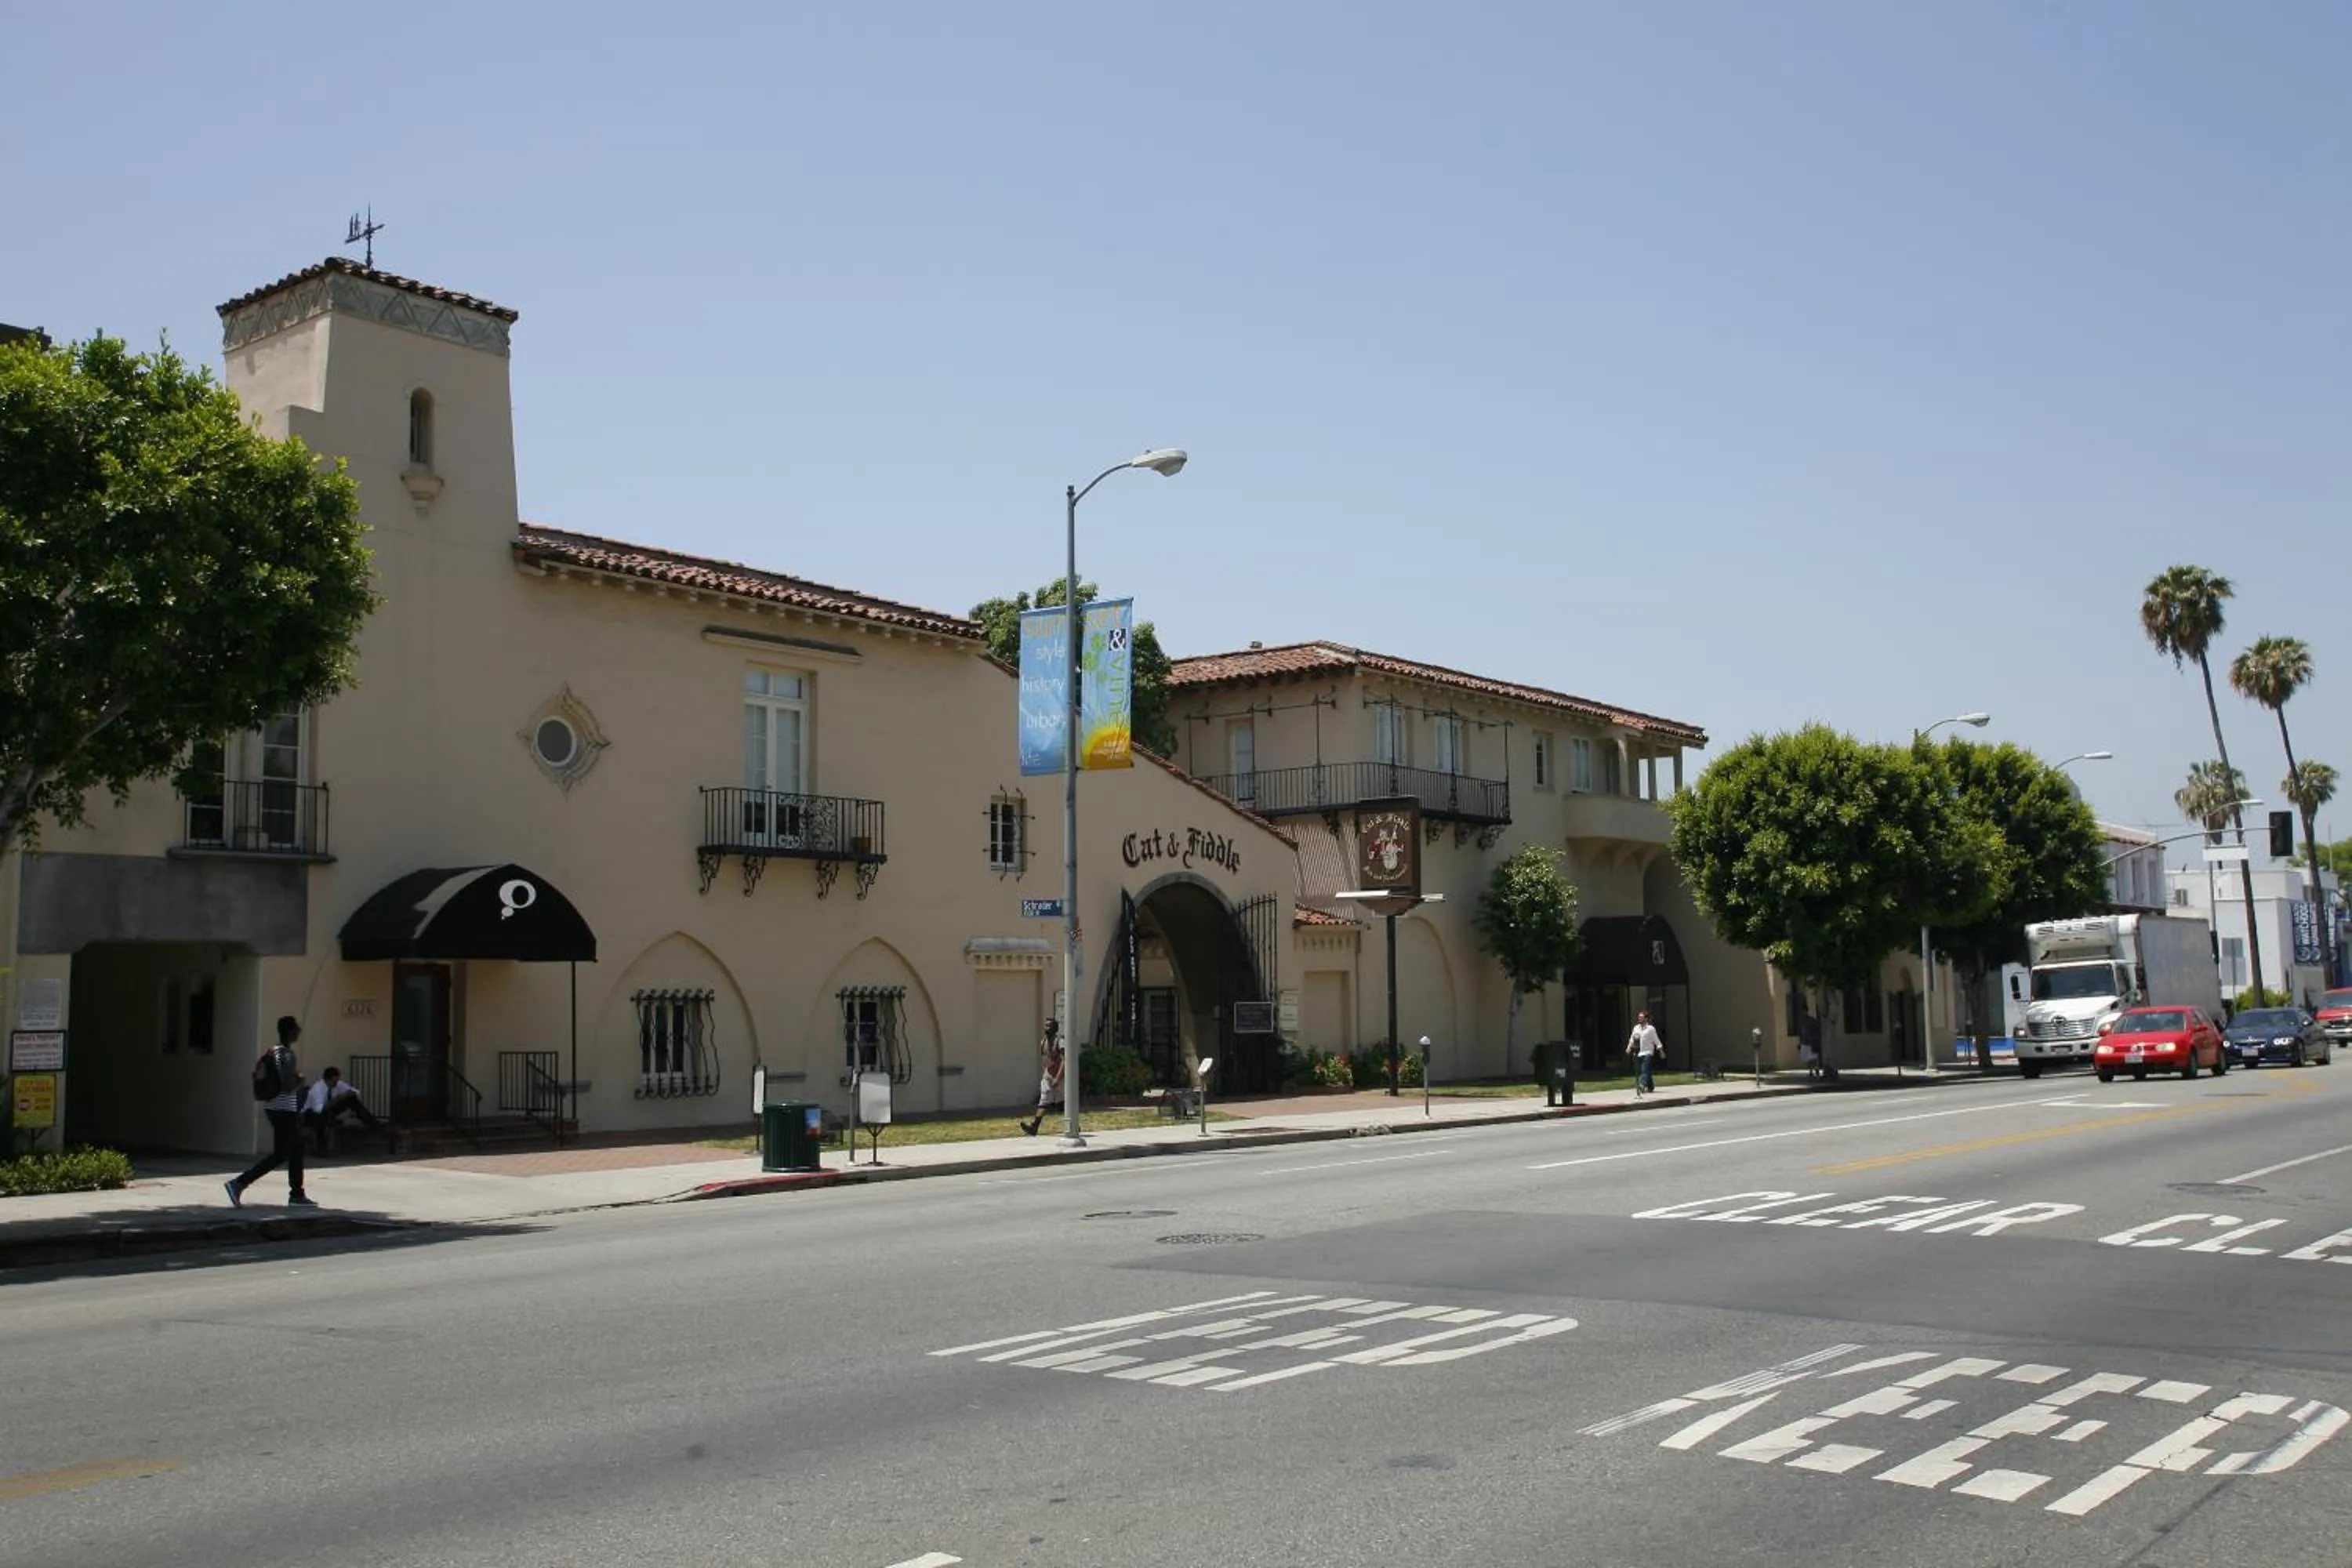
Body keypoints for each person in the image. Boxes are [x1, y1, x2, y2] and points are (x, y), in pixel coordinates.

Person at [227, 1015, 315, 1207]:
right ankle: (239, 1183)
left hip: (278, 1107)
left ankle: (297, 1194)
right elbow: (287, 1085)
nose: (300, 1031)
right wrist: (300, 1080)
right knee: (281, 1153)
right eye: (297, 1028)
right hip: (283, 1109)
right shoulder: (286, 1055)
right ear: (290, 1031)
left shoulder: (275, 1052)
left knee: (297, 1148)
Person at [301, 1065, 385, 1153]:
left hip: (329, 1110)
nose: (336, 1084)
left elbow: (355, 1092)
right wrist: (335, 1100)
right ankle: (321, 1148)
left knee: (352, 1100)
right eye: (334, 1081)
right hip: (312, 1113)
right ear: (327, 1080)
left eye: (337, 1081)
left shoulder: (338, 1084)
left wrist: (348, 1094)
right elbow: (319, 1109)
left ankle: (373, 1124)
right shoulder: (318, 1088)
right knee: (320, 1118)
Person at [1019, 1022, 1065, 1137]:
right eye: (1045, 1025)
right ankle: (1034, 1127)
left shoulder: (1060, 1042)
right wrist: (1046, 1075)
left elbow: (1066, 1060)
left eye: (1049, 1026)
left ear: (1055, 1029)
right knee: (1045, 1099)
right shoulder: (1043, 1042)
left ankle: (1073, 1125)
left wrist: (1058, 1078)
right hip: (1048, 1076)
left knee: (1061, 1103)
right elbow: (1045, 1060)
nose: (1046, 1028)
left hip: (1060, 1076)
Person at [1627, 1011, 1665, 1097]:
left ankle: (1641, 1085)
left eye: (1641, 1017)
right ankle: (1650, 1086)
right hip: (1639, 1053)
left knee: (1644, 1070)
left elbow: (1656, 1040)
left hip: (1648, 1052)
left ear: (1646, 1019)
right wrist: (1629, 1047)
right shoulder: (1636, 1028)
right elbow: (1632, 1039)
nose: (1639, 1019)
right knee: (1646, 1071)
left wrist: (1661, 1051)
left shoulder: (1651, 1029)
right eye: (1639, 1017)